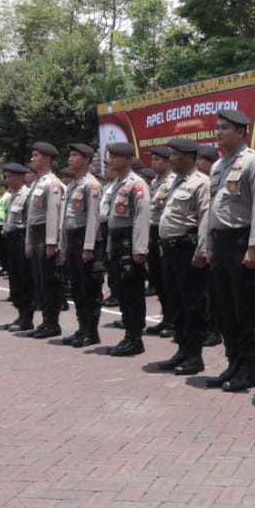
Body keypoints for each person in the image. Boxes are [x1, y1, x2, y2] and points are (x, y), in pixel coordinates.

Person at [197, 109, 255, 392]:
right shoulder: (218, 166)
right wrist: (210, 245)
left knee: (246, 309)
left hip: (243, 243)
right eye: (217, 128)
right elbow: (214, 209)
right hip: (221, 242)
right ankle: (233, 362)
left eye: (224, 128)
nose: (218, 132)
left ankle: (248, 368)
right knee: (224, 308)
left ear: (242, 132)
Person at [154, 138, 212, 374]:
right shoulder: (172, 183)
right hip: (169, 249)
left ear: (189, 157)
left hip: (188, 250)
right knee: (175, 302)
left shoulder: (201, 183)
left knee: (193, 304)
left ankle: (194, 355)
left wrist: (201, 251)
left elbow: (206, 218)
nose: (171, 159)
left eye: (175, 155)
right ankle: (182, 350)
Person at [102, 142, 151, 356]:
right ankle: (128, 334)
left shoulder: (136, 184)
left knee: (133, 292)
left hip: (130, 242)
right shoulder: (116, 184)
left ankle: (135, 338)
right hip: (117, 240)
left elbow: (141, 218)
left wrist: (139, 248)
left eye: (116, 156)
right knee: (121, 290)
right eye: (110, 156)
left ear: (128, 158)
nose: (111, 160)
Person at [20, 143, 65, 339]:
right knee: (39, 280)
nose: (32, 158)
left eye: (36, 155)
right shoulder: (36, 183)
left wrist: (51, 242)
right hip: (37, 234)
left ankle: (52, 322)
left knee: (49, 280)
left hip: (47, 234)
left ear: (47, 159)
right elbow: (30, 217)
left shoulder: (52, 184)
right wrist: (29, 242)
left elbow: (54, 215)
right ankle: (45, 321)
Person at [61, 143, 103, 347]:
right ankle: (81, 327)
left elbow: (93, 218)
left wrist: (88, 247)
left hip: (84, 240)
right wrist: (63, 244)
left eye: (75, 155)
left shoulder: (91, 185)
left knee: (89, 288)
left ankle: (91, 331)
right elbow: (65, 218)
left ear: (86, 160)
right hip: (72, 239)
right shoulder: (72, 185)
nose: (70, 159)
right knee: (76, 287)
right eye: (70, 155)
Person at [144, 146, 178, 338]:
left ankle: (173, 320)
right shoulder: (156, 181)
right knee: (157, 278)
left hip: (164, 232)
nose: (153, 163)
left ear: (167, 161)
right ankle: (166, 317)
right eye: (153, 159)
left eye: (157, 160)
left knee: (168, 281)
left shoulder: (171, 181)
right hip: (153, 231)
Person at [0, 163, 34, 331]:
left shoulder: (27, 194)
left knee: (24, 278)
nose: (7, 180)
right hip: (11, 239)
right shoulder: (11, 195)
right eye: (6, 176)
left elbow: (29, 221)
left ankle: (27, 317)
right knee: (14, 278)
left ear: (21, 177)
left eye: (10, 176)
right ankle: (21, 314)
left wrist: (28, 242)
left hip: (21, 238)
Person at [196, 144, 224, 349]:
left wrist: (205, 246)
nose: (197, 163)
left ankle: (215, 330)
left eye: (200, 159)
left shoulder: (206, 182)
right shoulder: (209, 180)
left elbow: (207, 216)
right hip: (209, 240)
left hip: (216, 242)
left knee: (213, 292)